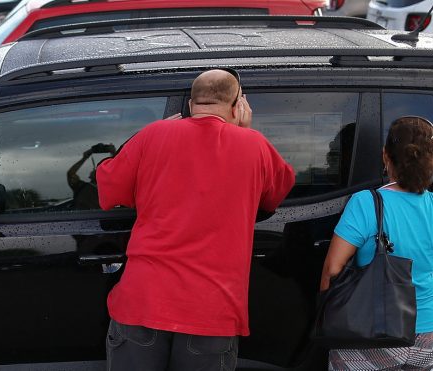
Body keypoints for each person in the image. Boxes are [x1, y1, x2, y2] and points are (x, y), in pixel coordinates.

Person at [96, 68, 296, 371]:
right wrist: (245, 131)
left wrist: (145, 138)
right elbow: (275, 196)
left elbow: (109, 189)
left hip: (143, 301)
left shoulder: (153, 135)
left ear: (191, 105)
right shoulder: (255, 145)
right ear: (237, 106)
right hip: (212, 311)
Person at [319, 116, 433, 370]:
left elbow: (332, 270)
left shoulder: (366, 203)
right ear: (429, 161)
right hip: (429, 334)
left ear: (385, 156)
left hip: (375, 329)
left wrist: (327, 314)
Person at [67, 143, 116, 210]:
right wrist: (84, 158)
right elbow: (70, 174)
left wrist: (114, 154)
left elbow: (119, 172)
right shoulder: (81, 187)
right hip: (86, 218)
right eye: (96, 168)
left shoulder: (109, 188)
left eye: (99, 168)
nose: (96, 169)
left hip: (91, 218)